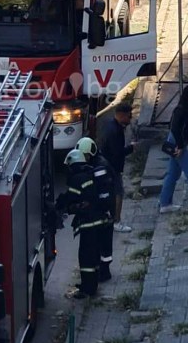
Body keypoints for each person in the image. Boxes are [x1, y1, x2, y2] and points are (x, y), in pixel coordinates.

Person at [63, 149, 104, 299]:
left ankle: (88, 289)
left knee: (86, 257)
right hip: (99, 221)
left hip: (89, 223)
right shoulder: (90, 173)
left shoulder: (77, 178)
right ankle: (92, 284)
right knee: (94, 255)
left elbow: (70, 199)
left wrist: (62, 206)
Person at [158, 84, 188, 214]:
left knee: (173, 174)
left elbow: (187, 128)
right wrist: (180, 146)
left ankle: (165, 203)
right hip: (177, 142)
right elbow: (175, 128)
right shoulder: (181, 110)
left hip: (180, 142)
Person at [75, 137, 114, 282]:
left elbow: (103, 194)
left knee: (104, 244)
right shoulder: (94, 164)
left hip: (104, 211)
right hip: (103, 211)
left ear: (91, 153)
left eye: (84, 156)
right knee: (99, 244)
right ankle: (101, 270)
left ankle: (104, 272)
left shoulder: (100, 169)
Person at [98, 102, 137, 232]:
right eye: (128, 116)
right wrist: (131, 148)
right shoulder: (115, 131)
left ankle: (108, 217)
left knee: (109, 193)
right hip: (112, 167)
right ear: (122, 116)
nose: (130, 119)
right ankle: (117, 221)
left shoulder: (109, 125)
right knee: (118, 193)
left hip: (105, 165)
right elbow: (118, 153)